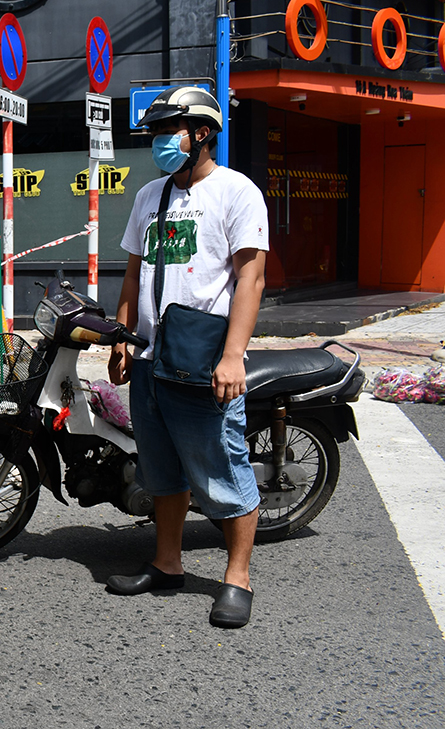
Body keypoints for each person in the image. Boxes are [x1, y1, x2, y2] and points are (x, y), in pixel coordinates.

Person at [106, 86, 269, 629]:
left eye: (167, 131)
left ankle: (237, 578)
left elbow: (251, 278)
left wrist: (234, 356)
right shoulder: (149, 195)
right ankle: (167, 563)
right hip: (151, 361)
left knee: (222, 470)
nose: (158, 142)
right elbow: (132, 272)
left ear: (201, 133)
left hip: (203, 360)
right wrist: (123, 338)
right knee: (163, 472)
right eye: (154, 133)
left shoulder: (236, 191)